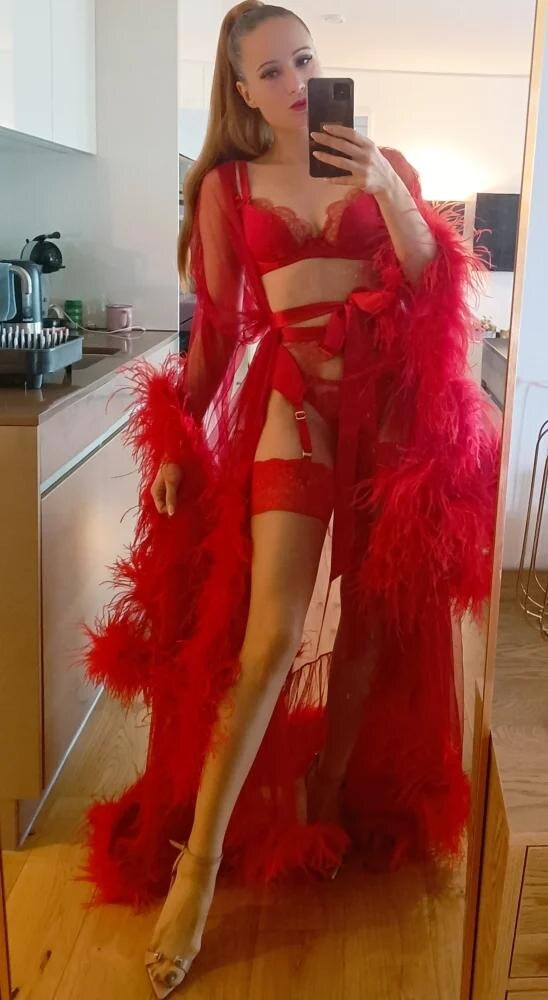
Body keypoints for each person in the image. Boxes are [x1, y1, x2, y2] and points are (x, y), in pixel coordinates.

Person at [73, 2, 500, 996]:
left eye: (304, 59)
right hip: (294, 400)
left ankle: (325, 790)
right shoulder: (226, 188)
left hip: (386, 407)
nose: (295, 82)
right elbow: (220, 333)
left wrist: (386, 186)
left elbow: (433, 284)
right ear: (240, 90)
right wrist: (177, 436)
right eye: (270, 70)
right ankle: (198, 867)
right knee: (268, 637)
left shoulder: (383, 162)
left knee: (370, 623)